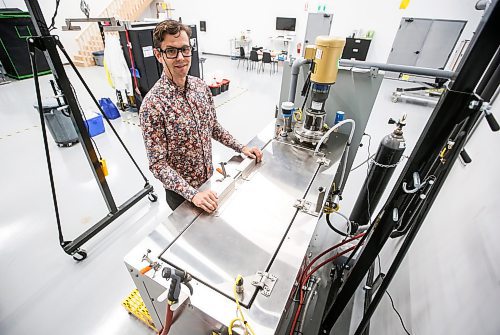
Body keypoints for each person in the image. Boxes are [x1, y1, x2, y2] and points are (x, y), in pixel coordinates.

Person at [139, 20, 262, 213]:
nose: (180, 57)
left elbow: (212, 126)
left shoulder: (200, 87)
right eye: (171, 51)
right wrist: (193, 194)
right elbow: (158, 164)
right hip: (181, 195)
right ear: (158, 55)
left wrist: (242, 147)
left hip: (208, 182)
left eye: (185, 49)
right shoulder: (153, 105)